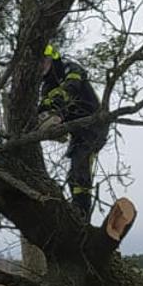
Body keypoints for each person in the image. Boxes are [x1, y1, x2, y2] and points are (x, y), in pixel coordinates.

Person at [38, 43, 105, 218]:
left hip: (94, 124)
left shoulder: (71, 68)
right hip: (75, 130)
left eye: (44, 61)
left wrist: (57, 111)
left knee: (80, 166)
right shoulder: (46, 87)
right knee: (74, 173)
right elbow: (43, 107)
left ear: (53, 59)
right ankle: (76, 210)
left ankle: (82, 213)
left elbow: (72, 86)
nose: (41, 67)